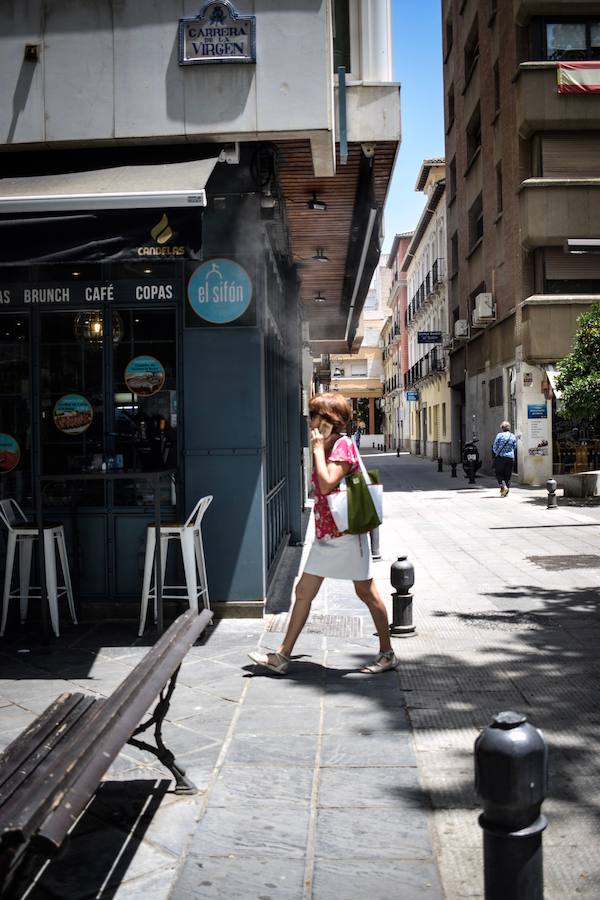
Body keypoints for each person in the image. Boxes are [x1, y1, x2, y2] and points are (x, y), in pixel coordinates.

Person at [249, 392, 397, 675]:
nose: (309, 421)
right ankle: (282, 655)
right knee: (303, 591)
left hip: (346, 536)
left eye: (314, 415)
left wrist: (317, 450)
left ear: (329, 420)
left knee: (366, 592)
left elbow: (328, 483)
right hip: (326, 535)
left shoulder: (342, 446)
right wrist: (320, 447)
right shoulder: (328, 445)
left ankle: (387, 653)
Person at [492, 420, 518, 497]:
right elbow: (514, 447)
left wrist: (497, 453)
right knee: (508, 475)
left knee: (499, 473)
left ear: (502, 428)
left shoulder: (499, 435)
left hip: (501, 457)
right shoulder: (512, 436)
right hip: (510, 458)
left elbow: (495, 446)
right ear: (509, 428)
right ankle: (505, 492)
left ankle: (504, 487)